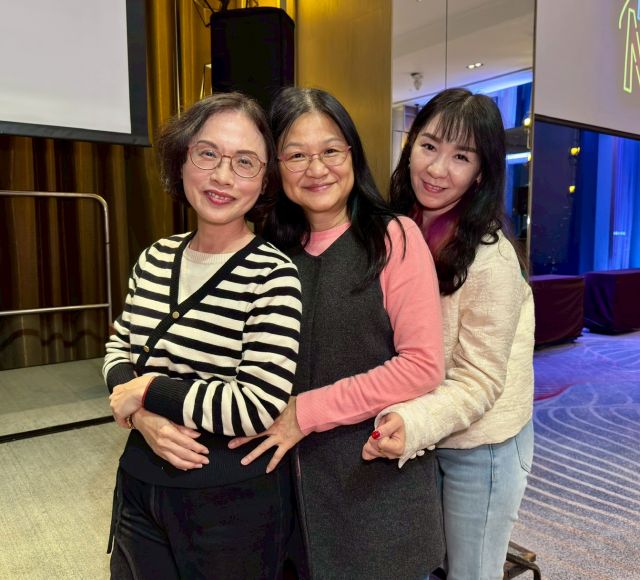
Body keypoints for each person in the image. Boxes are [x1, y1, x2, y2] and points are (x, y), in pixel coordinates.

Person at [228, 87, 446, 579]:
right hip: (288, 493)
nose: (317, 168)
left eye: (330, 150)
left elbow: (422, 365)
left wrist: (305, 412)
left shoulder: (394, 237)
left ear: (352, 153)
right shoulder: (267, 251)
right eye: (296, 155)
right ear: (275, 167)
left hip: (376, 488)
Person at [104, 92, 303, 580]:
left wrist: (147, 390)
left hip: (230, 503)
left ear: (265, 180)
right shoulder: (154, 257)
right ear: (182, 159)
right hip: (139, 481)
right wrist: (143, 416)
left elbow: (258, 405)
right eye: (207, 153)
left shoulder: (273, 274)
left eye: (245, 162)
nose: (222, 176)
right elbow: (118, 349)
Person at [362, 87, 535, 580]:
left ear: (481, 172)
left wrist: (412, 420)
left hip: (480, 443)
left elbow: (479, 381)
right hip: (422, 433)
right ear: (410, 145)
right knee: (419, 562)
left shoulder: (491, 261)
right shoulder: (396, 227)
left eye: (461, 156)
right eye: (429, 146)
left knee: (469, 572)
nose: (437, 169)